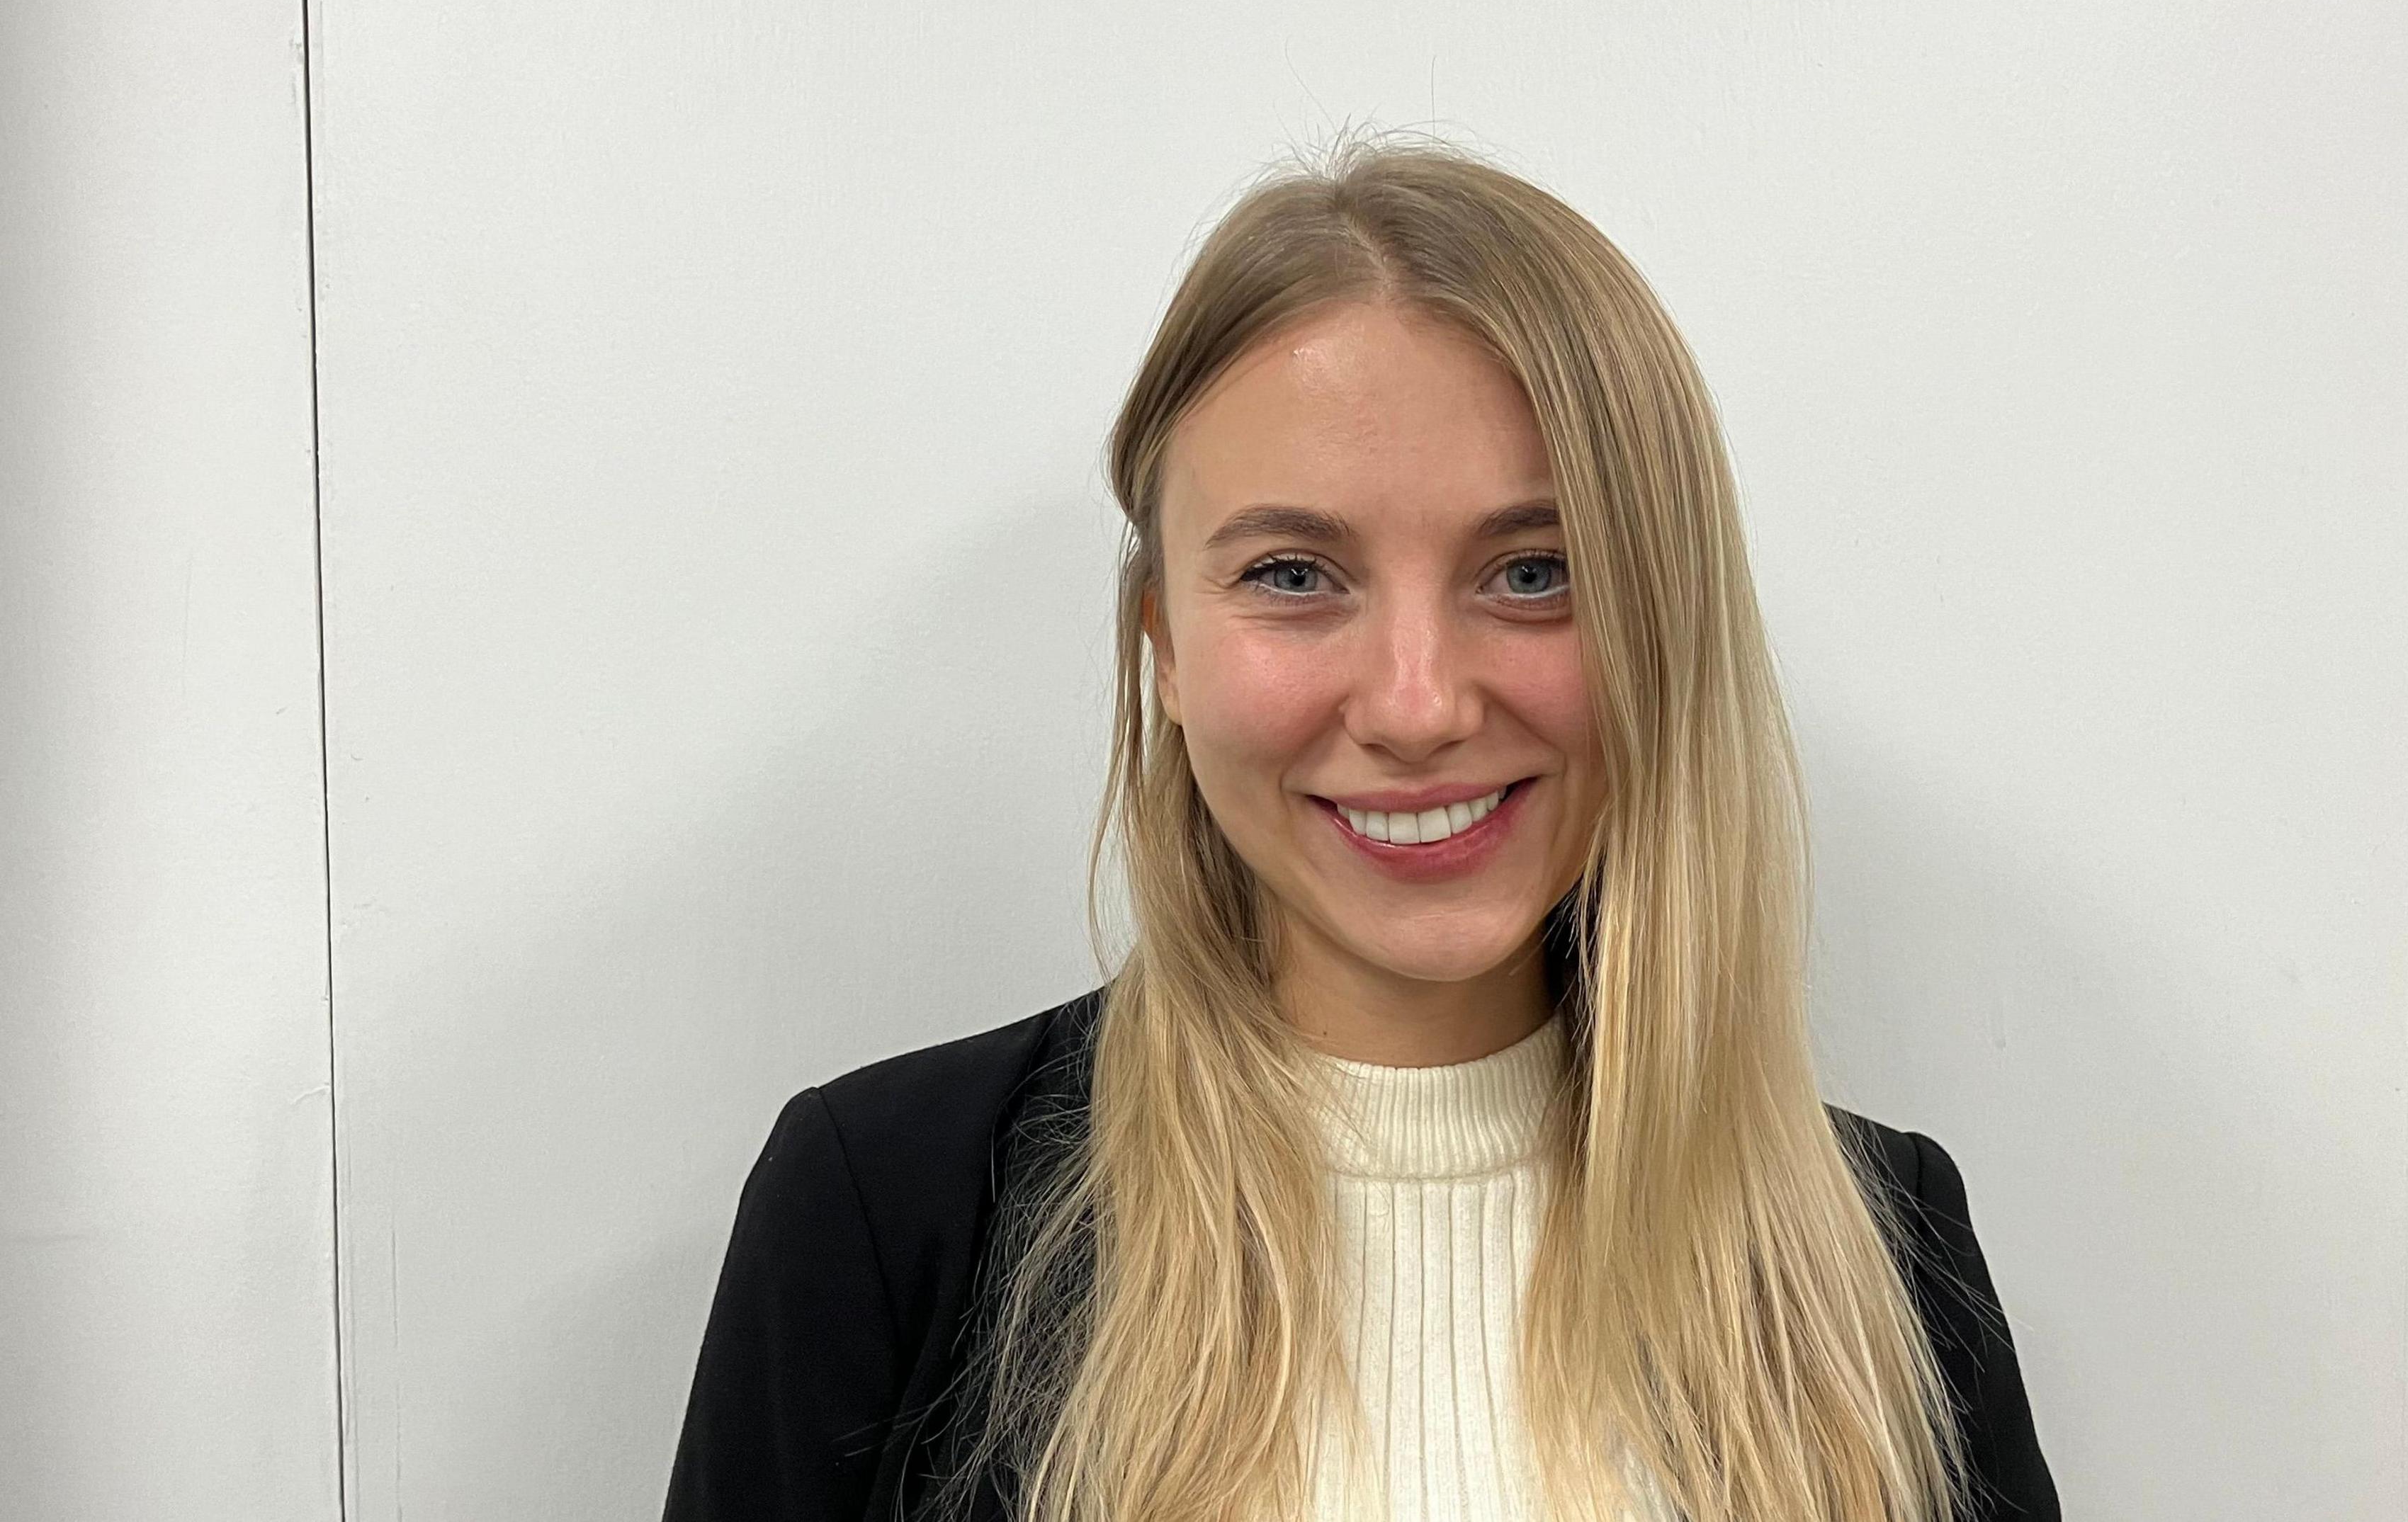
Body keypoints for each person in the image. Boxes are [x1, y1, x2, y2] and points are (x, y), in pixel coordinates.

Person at [662, 133, 2059, 1522]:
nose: (1415, 705)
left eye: (1533, 571)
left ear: (1664, 623)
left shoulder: (1887, 1258)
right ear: (1166, 644)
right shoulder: (886, 1215)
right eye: (1293, 573)